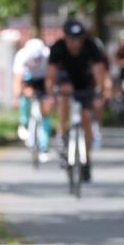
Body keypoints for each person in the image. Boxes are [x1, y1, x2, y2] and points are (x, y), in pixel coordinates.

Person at [46, 19, 109, 182]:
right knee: (64, 96)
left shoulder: (91, 46)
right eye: (72, 39)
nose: (76, 43)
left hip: (85, 82)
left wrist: (99, 93)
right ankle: (62, 134)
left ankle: (86, 158)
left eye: (79, 39)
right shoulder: (58, 48)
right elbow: (51, 76)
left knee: (86, 118)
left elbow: (99, 71)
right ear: (66, 38)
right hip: (65, 81)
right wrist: (51, 96)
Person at [12, 37, 52, 160]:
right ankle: (24, 123)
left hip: (43, 79)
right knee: (25, 95)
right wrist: (17, 96)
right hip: (28, 79)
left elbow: (52, 76)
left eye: (38, 59)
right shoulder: (21, 56)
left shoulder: (48, 55)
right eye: (34, 59)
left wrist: (50, 95)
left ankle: (44, 145)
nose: (36, 61)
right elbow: (18, 79)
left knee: (46, 110)